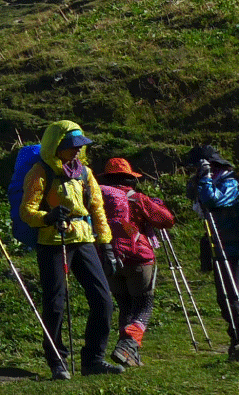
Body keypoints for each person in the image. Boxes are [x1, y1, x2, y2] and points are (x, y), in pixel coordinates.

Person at [18, 120, 123, 378]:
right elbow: (26, 211)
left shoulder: (85, 173)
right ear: (56, 146)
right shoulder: (40, 172)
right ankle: (57, 361)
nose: (77, 151)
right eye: (71, 146)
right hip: (53, 241)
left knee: (103, 300)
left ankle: (94, 359)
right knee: (55, 304)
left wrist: (106, 245)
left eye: (80, 146)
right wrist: (48, 217)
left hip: (84, 239)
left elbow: (97, 209)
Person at [97, 156, 176, 367]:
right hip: (138, 257)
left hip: (108, 256)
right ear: (129, 179)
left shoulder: (98, 198)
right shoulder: (137, 199)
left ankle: (129, 354)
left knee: (125, 305)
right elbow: (166, 220)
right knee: (144, 304)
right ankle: (128, 344)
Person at [186, 145, 239, 350]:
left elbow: (212, 200)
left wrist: (206, 178)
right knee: (223, 297)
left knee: (233, 294)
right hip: (220, 246)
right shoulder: (215, 180)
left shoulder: (230, 183)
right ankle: (238, 335)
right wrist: (200, 179)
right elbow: (194, 196)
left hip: (236, 249)